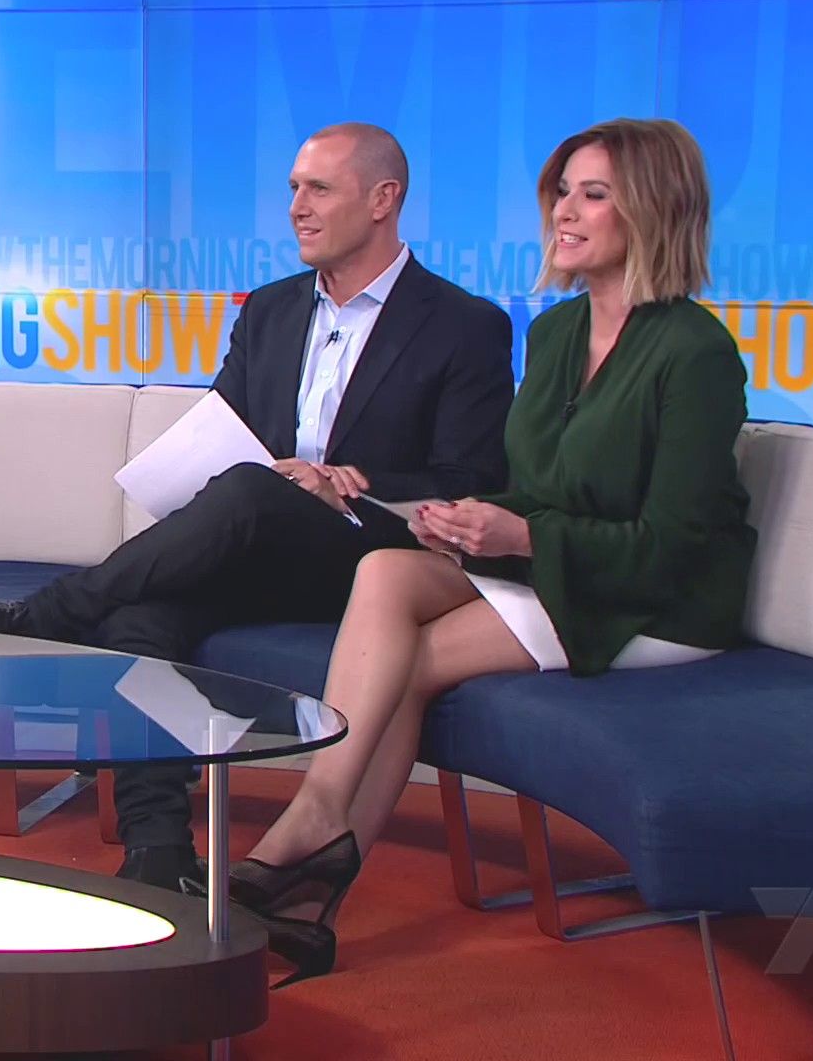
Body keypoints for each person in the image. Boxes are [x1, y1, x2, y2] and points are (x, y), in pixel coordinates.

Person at [224, 117, 757, 982]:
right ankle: (313, 858)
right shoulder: (556, 334)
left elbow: (677, 544)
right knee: (387, 569)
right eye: (561, 193)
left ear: (655, 211)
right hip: (555, 567)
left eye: (593, 195)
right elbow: (537, 488)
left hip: (655, 600)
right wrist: (465, 518)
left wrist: (524, 534)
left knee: (406, 663)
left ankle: (307, 846)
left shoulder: (696, 352)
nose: (564, 213)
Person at [0, 123, 515, 892]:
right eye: (293, 189)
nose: (297, 207)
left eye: (318, 189)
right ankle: (157, 853)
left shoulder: (463, 325)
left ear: (384, 200)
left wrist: (345, 483)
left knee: (252, 489)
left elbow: (470, 480)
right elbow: (229, 431)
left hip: (371, 562)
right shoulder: (271, 310)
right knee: (141, 620)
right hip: (260, 549)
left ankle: (47, 617)